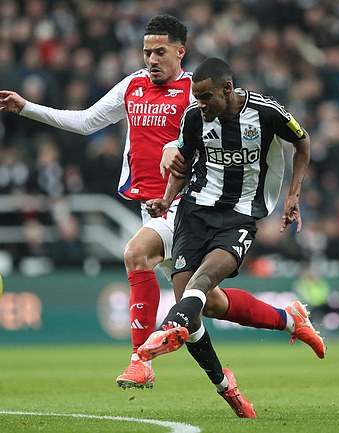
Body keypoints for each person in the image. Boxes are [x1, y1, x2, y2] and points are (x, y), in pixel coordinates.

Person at [0, 15, 305, 391]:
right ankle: (289, 320)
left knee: (136, 254)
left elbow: (218, 142)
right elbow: (87, 121)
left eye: (159, 52)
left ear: (180, 52)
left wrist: (177, 152)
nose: (151, 59)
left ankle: (140, 361)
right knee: (209, 303)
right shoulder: (132, 86)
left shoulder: (196, 92)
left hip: (189, 204)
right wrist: (27, 107)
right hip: (150, 206)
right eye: (146, 52)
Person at [139, 57, 325, 417]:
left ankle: (164, 333)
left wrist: (293, 194)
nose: (201, 104)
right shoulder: (195, 117)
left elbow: (303, 143)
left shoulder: (267, 112)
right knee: (202, 305)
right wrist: (165, 198)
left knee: (203, 282)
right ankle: (277, 333)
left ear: (227, 89)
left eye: (206, 96)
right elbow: (183, 164)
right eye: (197, 97)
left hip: (240, 214)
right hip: (194, 212)